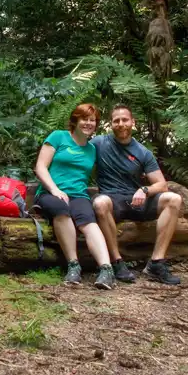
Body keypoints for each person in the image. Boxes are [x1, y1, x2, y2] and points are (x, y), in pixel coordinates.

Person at [91, 104, 183, 285]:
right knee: (100, 203)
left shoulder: (143, 152)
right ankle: (117, 263)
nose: (121, 124)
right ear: (111, 124)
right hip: (112, 199)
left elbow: (161, 184)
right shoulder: (99, 143)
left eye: (125, 119)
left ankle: (156, 263)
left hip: (136, 199)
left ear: (133, 122)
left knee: (174, 199)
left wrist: (144, 189)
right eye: (116, 121)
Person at [33, 103, 116, 289]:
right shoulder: (58, 136)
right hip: (49, 192)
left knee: (88, 220)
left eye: (92, 120)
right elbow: (40, 167)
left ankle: (106, 269)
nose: (88, 123)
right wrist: (55, 190)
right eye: (84, 119)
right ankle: (73, 265)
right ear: (75, 120)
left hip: (79, 195)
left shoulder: (92, 149)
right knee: (62, 210)